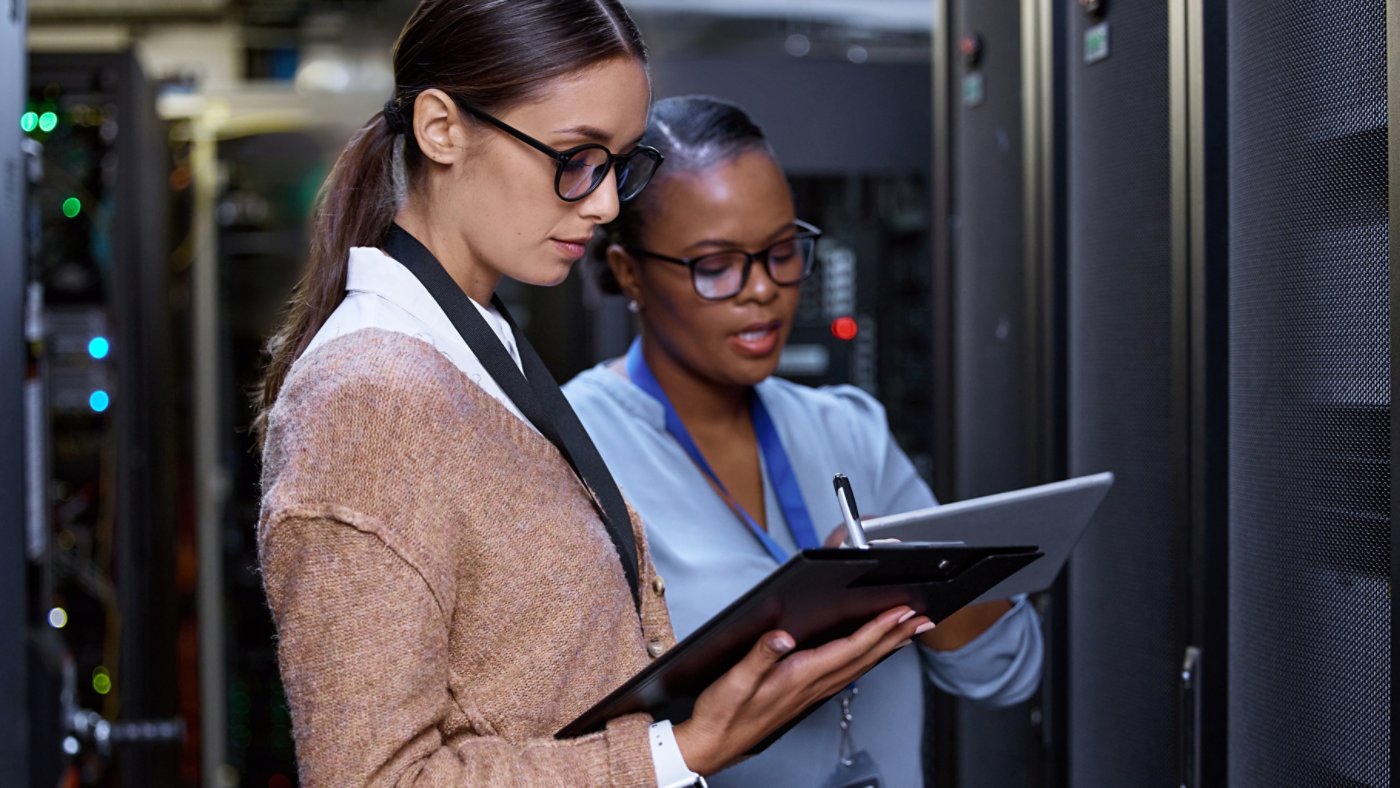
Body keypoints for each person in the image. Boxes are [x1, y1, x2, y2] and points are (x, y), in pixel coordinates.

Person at [254, 3, 935, 786]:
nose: (607, 202)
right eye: (576, 157)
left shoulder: (473, 350)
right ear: (442, 129)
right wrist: (683, 750)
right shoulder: (369, 396)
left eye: (619, 162)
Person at [564, 95, 1045, 786]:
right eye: (716, 265)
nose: (763, 290)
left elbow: (1008, 671)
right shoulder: (572, 455)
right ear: (630, 272)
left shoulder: (850, 429)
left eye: (783, 251)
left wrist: (921, 576)